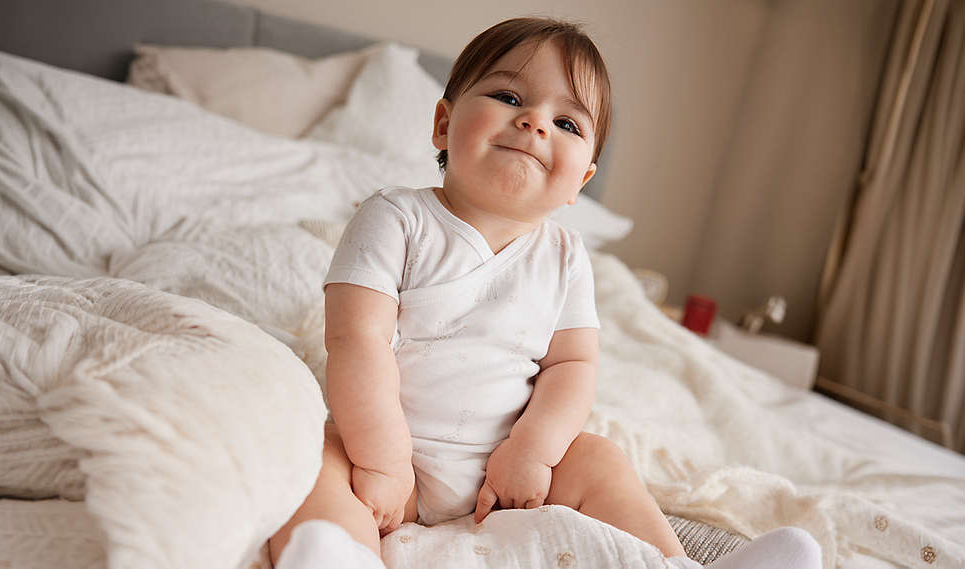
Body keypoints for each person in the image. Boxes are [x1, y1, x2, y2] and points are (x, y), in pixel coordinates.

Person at [269, 17, 823, 569]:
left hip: (505, 475)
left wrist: (530, 452)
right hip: (385, 457)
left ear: (582, 180)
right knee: (314, 460)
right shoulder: (394, 217)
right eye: (509, 96)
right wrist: (385, 462)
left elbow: (572, 365)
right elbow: (355, 339)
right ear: (443, 124)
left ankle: (680, 565)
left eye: (567, 122)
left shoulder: (564, 257)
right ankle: (337, 555)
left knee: (599, 459)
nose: (535, 123)